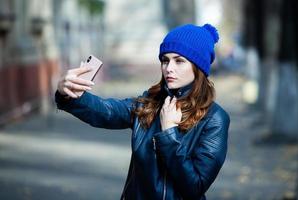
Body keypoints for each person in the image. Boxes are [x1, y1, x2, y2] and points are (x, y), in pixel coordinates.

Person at [55, 23, 230, 200]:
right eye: (165, 60)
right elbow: (107, 111)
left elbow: (194, 187)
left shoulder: (214, 119)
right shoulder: (150, 103)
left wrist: (170, 134)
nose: (169, 68)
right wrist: (70, 95)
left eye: (179, 61)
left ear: (197, 67)